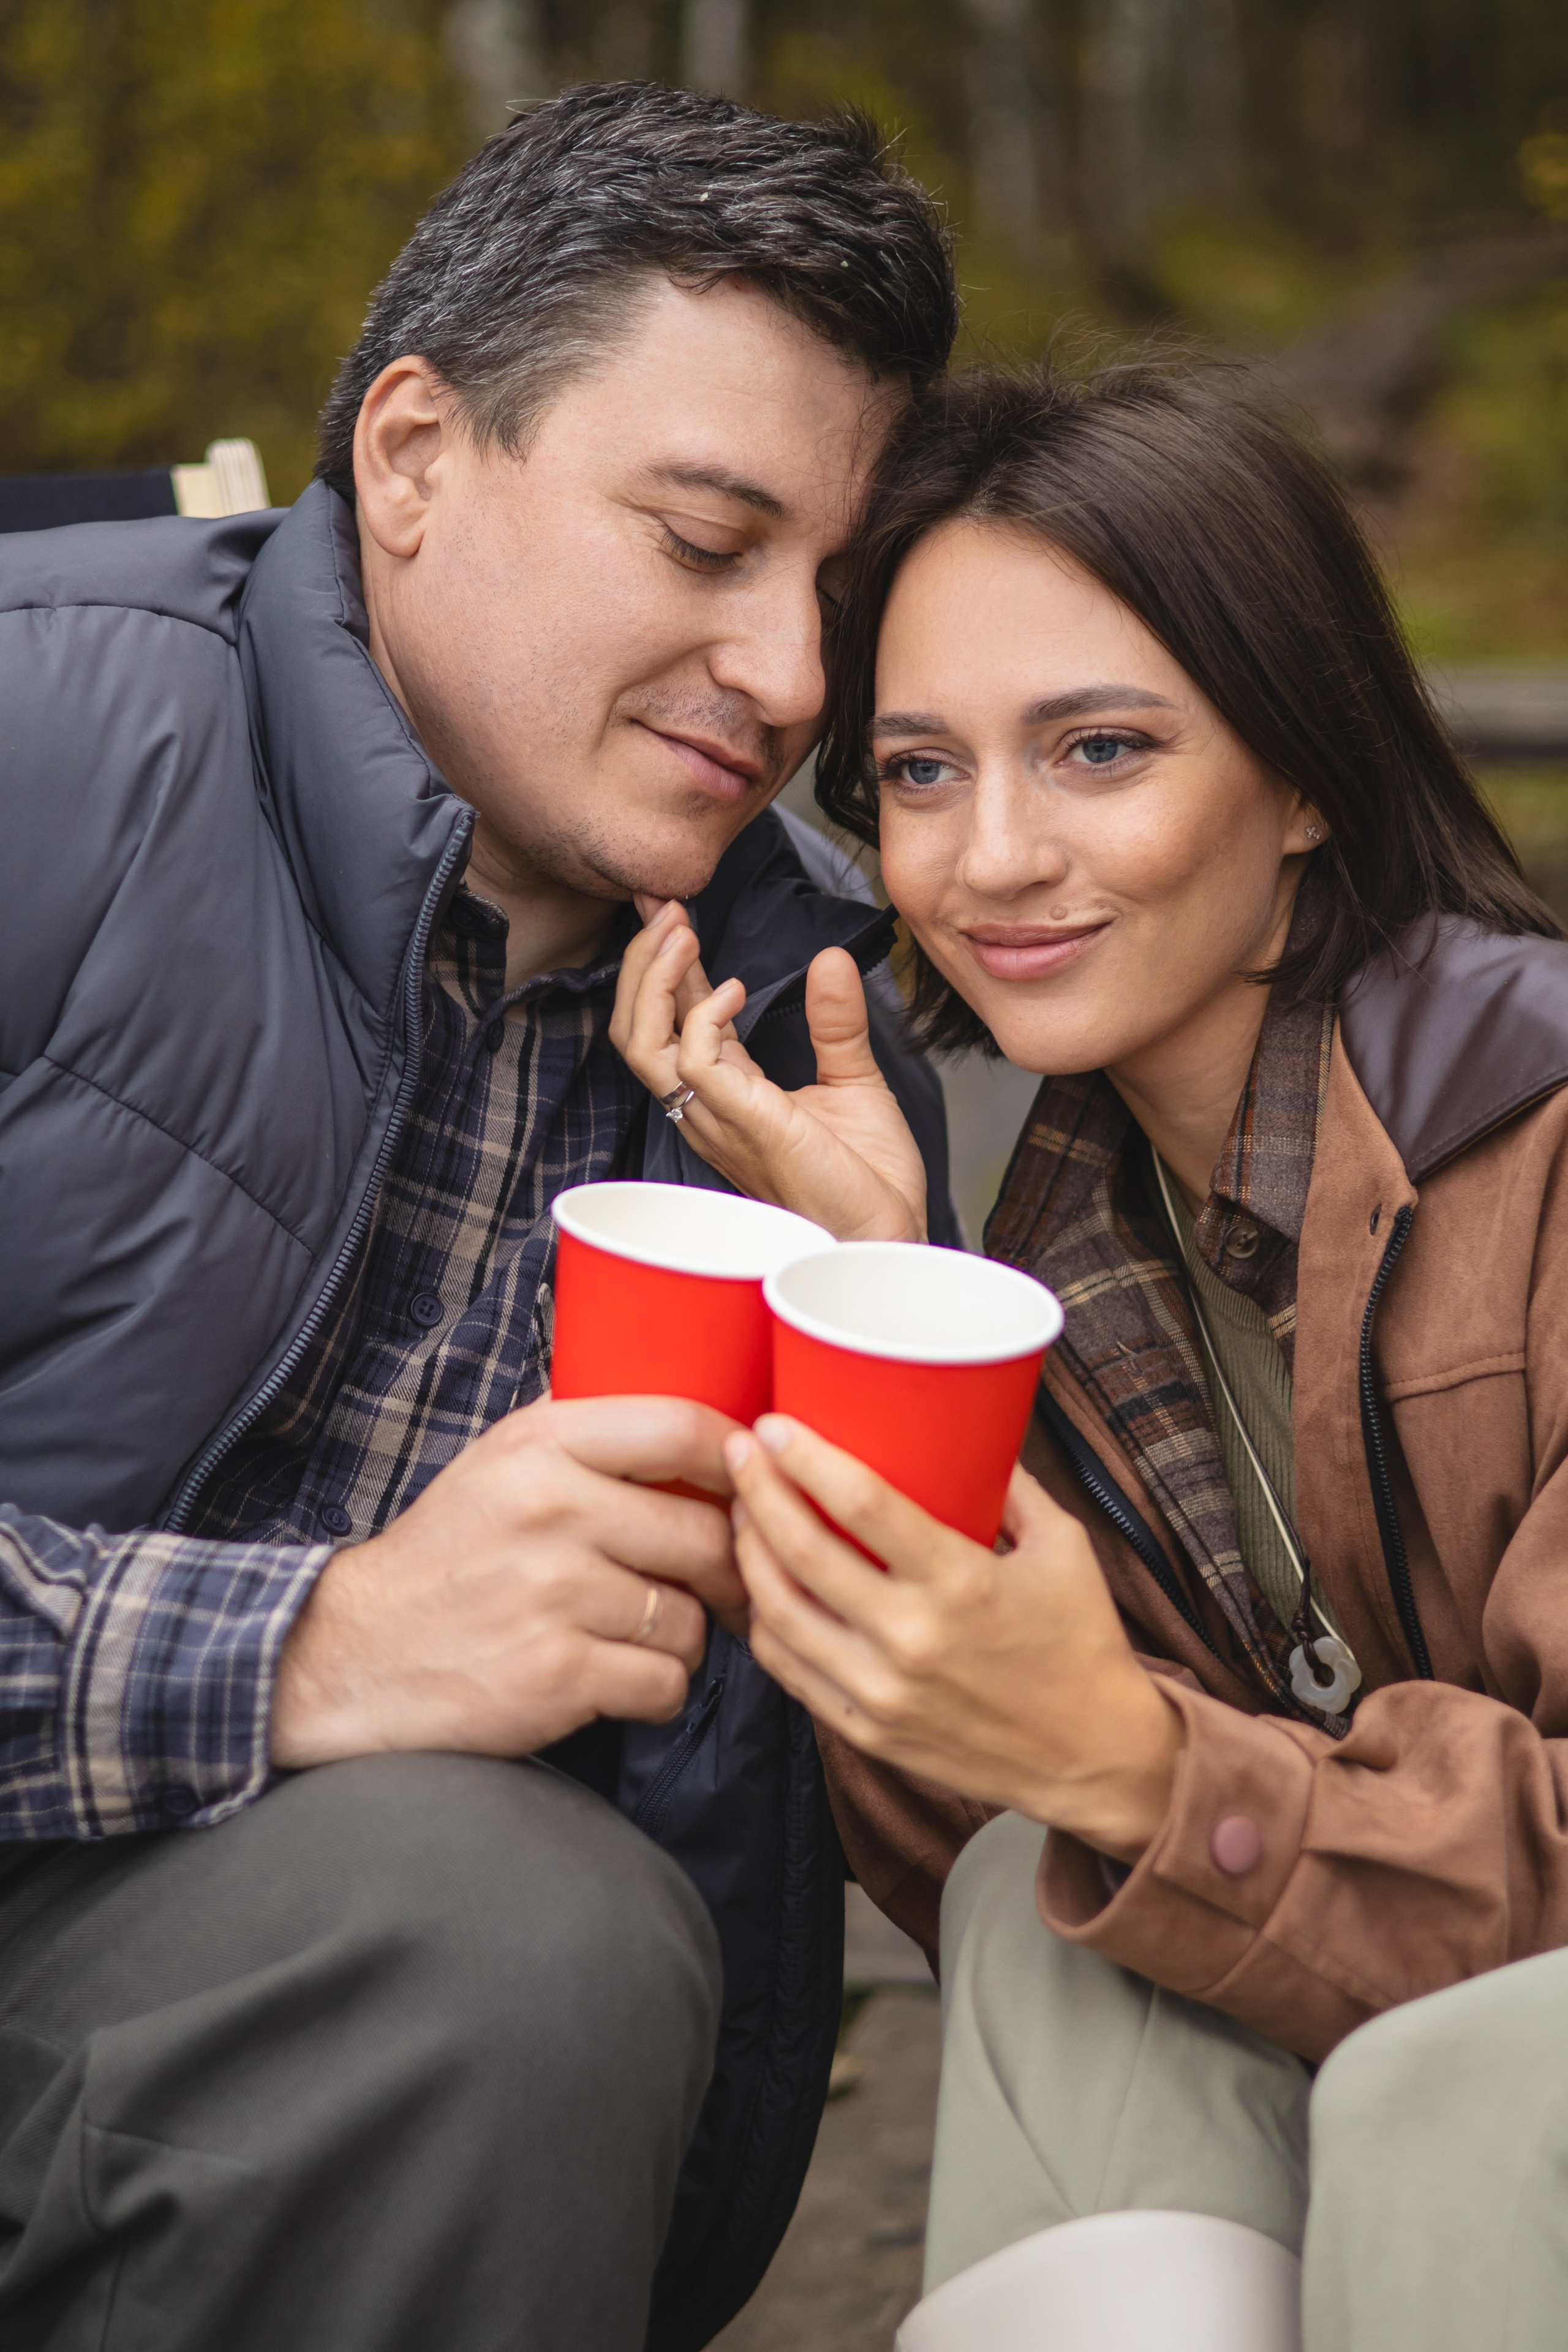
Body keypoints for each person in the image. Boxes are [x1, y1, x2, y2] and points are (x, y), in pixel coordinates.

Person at [0, 82, 960, 2352]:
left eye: (837, 593)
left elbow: (806, 1837)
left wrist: (887, 1334)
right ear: (414, 459)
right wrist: (312, 1646)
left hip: (315, 2045)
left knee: (516, 1934)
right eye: (706, 541)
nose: (802, 682)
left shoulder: (797, 1054)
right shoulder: (35, 743)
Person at [613, 364, 1568, 2347]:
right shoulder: (1079, 1244)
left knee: (1458, 2082)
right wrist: (884, 1311)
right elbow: (997, 1831)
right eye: (924, 772)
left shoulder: (1543, 1149)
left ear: (1304, 774)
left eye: (1101, 749)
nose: (993, 861)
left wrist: (1140, 1762)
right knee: (1041, 1931)